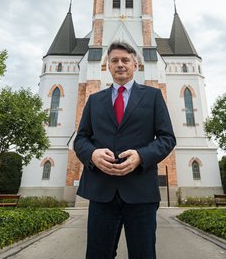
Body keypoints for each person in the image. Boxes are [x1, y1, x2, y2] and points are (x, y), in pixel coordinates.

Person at [74, 41, 176, 259]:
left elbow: (167, 138)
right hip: (102, 193)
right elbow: (80, 139)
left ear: (135, 65)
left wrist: (141, 156)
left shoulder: (153, 96)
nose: (120, 64)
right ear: (108, 67)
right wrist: (92, 154)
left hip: (140, 192)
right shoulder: (94, 101)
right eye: (114, 61)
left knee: (143, 254)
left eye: (125, 60)